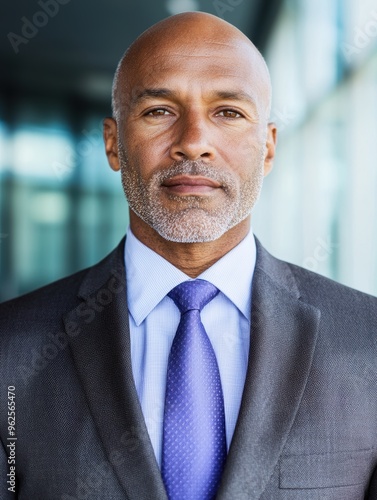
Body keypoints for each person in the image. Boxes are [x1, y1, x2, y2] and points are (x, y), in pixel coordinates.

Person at [0, 10, 376, 500]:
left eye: (228, 112)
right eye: (159, 111)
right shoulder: (10, 348)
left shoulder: (367, 338)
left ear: (268, 147)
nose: (194, 141)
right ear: (114, 144)